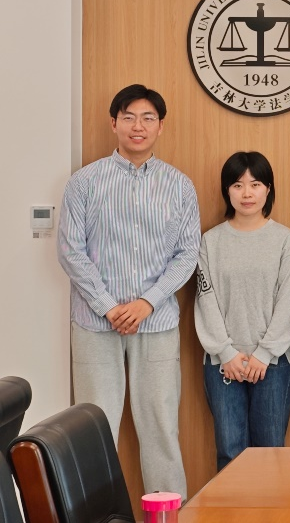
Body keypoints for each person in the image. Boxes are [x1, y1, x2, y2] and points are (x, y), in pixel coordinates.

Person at [57, 84, 199, 497]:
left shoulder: (179, 186)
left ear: (160, 127)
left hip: (157, 323)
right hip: (94, 325)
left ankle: (167, 518)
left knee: (161, 428)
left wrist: (146, 303)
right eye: (129, 117)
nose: (138, 126)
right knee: (93, 431)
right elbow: (70, 251)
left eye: (148, 118)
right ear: (113, 123)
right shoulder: (84, 182)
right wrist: (107, 306)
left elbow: (187, 254)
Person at [195, 151, 290, 471]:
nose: (247, 193)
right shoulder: (210, 241)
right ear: (226, 190)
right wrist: (226, 353)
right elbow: (205, 299)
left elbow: (289, 300)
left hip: (273, 364)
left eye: (255, 184)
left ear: (268, 189)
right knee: (230, 453)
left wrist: (264, 354)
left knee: (270, 453)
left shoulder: (284, 240)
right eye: (238, 185)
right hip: (222, 364)